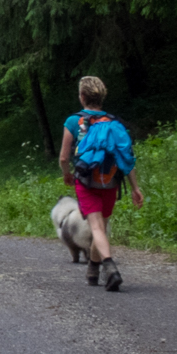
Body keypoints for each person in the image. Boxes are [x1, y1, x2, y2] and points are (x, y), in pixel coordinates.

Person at [58, 75, 143, 290]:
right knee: (101, 228)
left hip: (86, 181)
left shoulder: (73, 121)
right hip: (111, 181)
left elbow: (63, 158)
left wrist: (67, 174)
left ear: (82, 96)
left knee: (95, 228)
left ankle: (110, 267)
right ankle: (93, 270)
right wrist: (135, 188)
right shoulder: (113, 122)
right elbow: (127, 157)